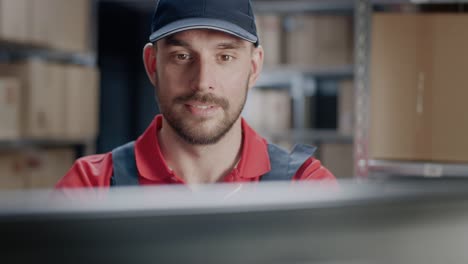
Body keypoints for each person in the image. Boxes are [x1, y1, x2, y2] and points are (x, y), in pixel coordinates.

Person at [56, 0, 336, 188]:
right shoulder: (92, 187)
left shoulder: (306, 186)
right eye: (182, 56)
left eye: (225, 57)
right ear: (153, 64)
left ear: (253, 67)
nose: (202, 83)